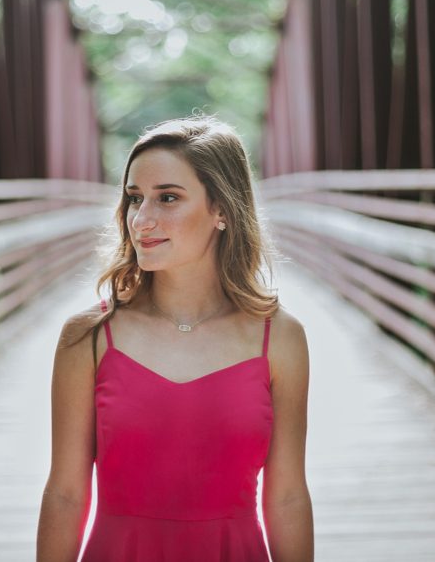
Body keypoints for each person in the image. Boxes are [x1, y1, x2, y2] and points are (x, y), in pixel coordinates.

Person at [37, 114, 312, 561]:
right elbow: (66, 494)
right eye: (134, 199)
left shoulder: (280, 338)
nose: (141, 220)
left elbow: (287, 498)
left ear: (222, 209)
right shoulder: (88, 337)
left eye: (168, 198)